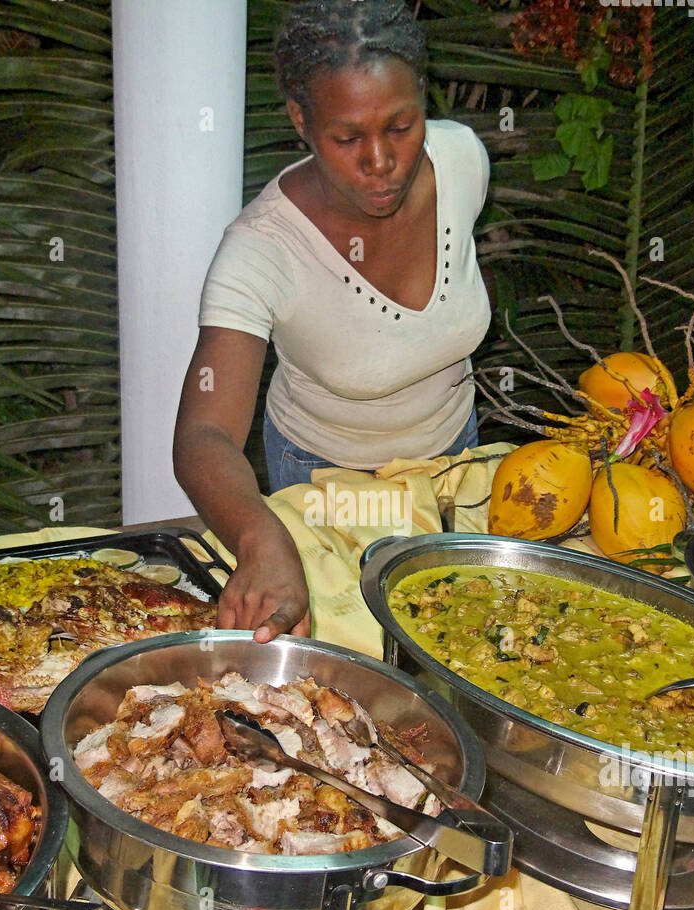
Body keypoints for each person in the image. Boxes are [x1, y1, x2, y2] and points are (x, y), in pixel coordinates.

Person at [172, 0, 492, 643]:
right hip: (329, 484)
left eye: (401, 126)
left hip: (458, 461)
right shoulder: (262, 250)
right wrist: (262, 539)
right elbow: (203, 432)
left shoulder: (462, 164)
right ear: (301, 120)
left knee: (468, 642)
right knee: (357, 668)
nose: (381, 161)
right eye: (348, 139)